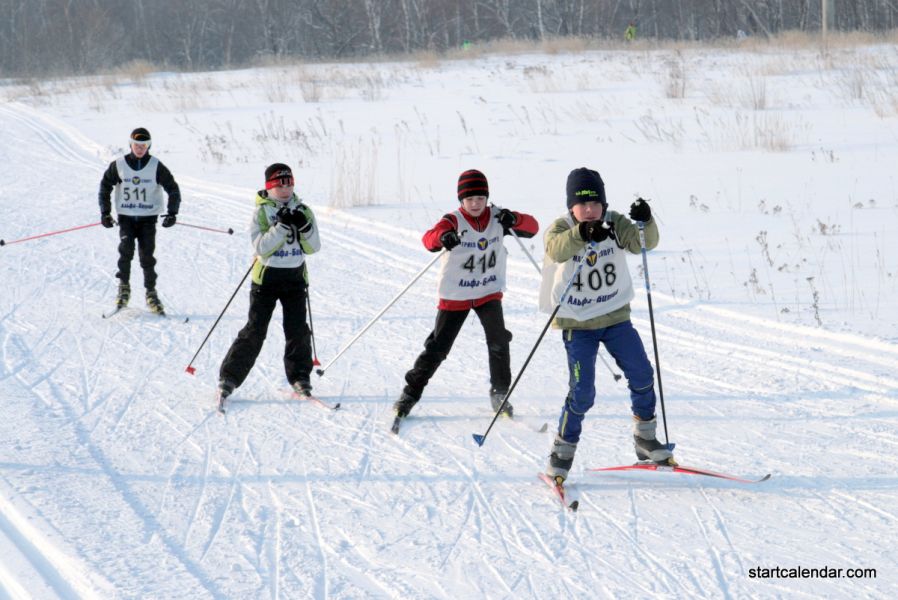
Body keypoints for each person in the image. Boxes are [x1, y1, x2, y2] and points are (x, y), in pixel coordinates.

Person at [540, 167, 672, 485]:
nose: (589, 209)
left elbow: (645, 243)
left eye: (595, 203)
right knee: (583, 393)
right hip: (577, 321)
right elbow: (556, 249)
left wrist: (646, 220)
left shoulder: (614, 222)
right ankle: (561, 454)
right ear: (571, 206)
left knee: (642, 373)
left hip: (615, 316)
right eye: (582, 204)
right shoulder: (562, 227)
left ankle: (645, 437)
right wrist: (583, 234)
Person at [394, 169, 539, 421]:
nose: (475, 204)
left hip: (487, 292)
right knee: (438, 348)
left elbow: (533, 227)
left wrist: (513, 219)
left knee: (499, 341)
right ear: (461, 200)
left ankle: (500, 394)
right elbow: (428, 240)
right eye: (470, 199)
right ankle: (410, 393)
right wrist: (443, 237)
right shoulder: (453, 221)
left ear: (487, 198)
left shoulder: (497, 217)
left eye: (480, 198)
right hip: (456, 295)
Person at [217, 163, 320, 405]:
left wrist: (303, 226)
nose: (285, 188)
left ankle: (300, 377)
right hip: (266, 279)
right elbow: (261, 248)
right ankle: (229, 377)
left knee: (297, 330)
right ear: (270, 187)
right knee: (255, 330)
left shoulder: (304, 209)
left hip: (295, 277)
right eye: (279, 184)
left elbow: (313, 247)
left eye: (289, 183)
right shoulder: (261, 212)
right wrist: (282, 226)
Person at [98, 127, 181, 314]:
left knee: (147, 256)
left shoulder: (156, 166)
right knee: (125, 252)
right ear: (131, 144)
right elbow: (105, 186)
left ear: (148, 146)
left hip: (147, 219)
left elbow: (173, 189)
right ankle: (124, 288)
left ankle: (151, 292)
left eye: (144, 145)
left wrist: (172, 213)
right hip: (126, 218)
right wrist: (105, 212)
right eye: (137, 145)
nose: (140, 148)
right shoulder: (119, 165)